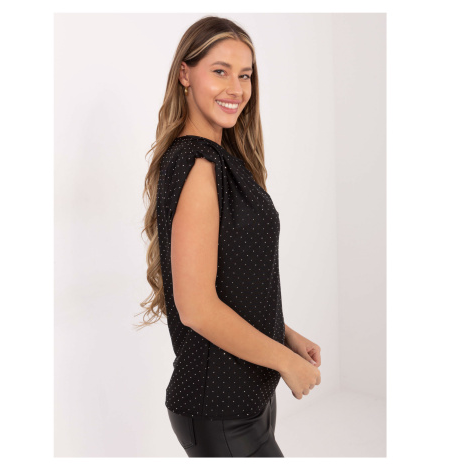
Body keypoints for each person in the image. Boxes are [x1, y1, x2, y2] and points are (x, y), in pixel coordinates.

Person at [135, 15, 322, 457]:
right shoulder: (200, 166)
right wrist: (285, 361)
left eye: (245, 75)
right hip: (219, 410)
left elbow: (233, 284)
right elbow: (197, 308)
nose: (236, 88)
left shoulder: (219, 159)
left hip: (243, 399)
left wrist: (284, 335)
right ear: (185, 74)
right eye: (220, 71)